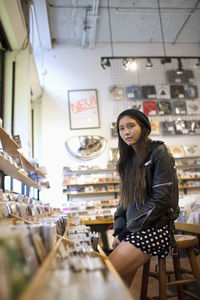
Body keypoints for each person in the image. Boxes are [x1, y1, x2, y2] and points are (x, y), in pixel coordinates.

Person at [109, 109, 180, 295]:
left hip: (157, 228)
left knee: (107, 274)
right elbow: (124, 201)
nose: (126, 132)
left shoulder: (159, 151)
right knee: (117, 282)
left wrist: (127, 230)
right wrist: (119, 229)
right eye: (121, 128)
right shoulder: (127, 161)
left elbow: (162, 199)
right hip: (135, 229)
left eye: (131, 126)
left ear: (144, 126)